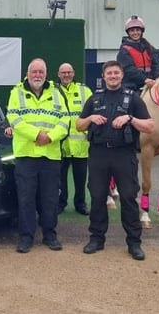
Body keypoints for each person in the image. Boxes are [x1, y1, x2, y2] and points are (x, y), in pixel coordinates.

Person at [76, 60, 154, 260]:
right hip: (99, 154)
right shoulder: (94, 99)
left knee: (128, 197)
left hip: (123, 154)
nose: (112, 76)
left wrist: (130, 119)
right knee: (97, 197)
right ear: (104, 76)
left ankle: (134, 243)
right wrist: (90, 119)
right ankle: (96, 239)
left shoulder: (133, 99)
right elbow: (78, 125)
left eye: (116, 73)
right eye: (109, 73)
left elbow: (149, 126)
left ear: (121, 75)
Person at [6, 58, 70, 253]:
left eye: (41, 72)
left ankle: (50, 235)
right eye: (34, 71)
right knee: (26, 198)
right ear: (28, 73)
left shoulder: (56, 93)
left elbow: (65, 120)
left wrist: (49, 137)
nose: (37, 75)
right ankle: (26, 238)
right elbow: (14, 119)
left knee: (50, 198)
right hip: (26, 155)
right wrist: (36, 135)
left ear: (46, 73)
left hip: (50, 155)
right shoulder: (16, 93)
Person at [56, 63, 93, 215]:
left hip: (80, 145)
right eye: (63, 72)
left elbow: (93, 111)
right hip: (60, 144)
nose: (66, 75)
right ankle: (61, 202)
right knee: (60, 179)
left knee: (80, 178)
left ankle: (80, 204)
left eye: (69, 72)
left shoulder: (85, 91)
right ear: (58, 74)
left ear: (73, 73)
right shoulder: (53, 91)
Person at [117, 15, 159, 92]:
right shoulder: (124, 50)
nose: (135, 33)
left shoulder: (150, 48)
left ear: (141, 31)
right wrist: (144, 79)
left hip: (150, 84)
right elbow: (128, 69)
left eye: (137, 30)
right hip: (131, 87)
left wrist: (156, 78)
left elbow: (158, 65)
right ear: (128, 32)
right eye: (132, 31)